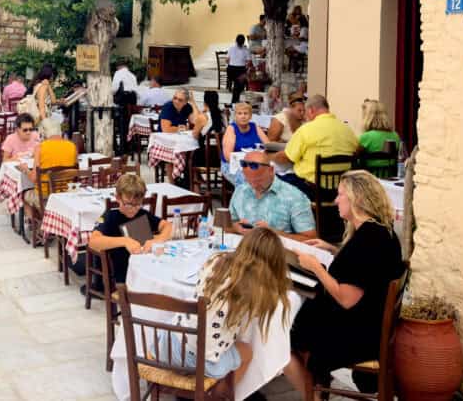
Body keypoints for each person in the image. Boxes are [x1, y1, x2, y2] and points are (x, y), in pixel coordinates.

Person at [284, 171, 404, 397]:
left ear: (357, 199)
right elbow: (363, 271)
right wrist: (332, 250)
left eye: (341, 195)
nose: (336, 200)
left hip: (358, 335)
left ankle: (315, 396)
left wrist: (315, 267)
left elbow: (346, 299)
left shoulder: (367, 241)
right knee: (298, 326)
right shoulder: (379, 232)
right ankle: (315, 386)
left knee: (281, 345)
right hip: (372, 325)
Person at [167, 227, 293, 384]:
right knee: (247, 352)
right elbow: (257, 313)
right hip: (199, 359)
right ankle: (227, 395)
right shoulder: (256, 289)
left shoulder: (216, 260)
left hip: (169, 343)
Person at [87, 173, 172, 285]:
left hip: (139, 275)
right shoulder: (110, 217)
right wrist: (125, 241)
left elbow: (168, 226)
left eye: (137, 205)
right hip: (114, 280)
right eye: (128, 204)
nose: (133, 209)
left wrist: (157, 240)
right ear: (117, 197)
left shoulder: (143, 214)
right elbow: (93, 242)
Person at [275, 95, 359, 200]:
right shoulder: (347, 130)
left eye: (305, 112)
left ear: (311, 110)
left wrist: (272, 157)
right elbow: (358, 150)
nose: (305, 116)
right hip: (340, 189)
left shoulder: (306, 130)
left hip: (311, 189)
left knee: (274, 179)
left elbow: (286, 157)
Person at [228, 151, 315, 238]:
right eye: (249, 180)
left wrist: (274, 234)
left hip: (278, 250)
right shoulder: (241, 190)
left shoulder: (294, 196)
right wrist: (235, 228)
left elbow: (310, 239)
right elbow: (224, 227)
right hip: (244, 248)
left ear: (271, 170)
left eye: (258, 180)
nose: (254, 186)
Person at [221, 102, 268, 167]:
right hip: (233, 165)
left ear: (250, 116)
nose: (243, 116)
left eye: (246, 113)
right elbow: (228, 157)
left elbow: (268, 146)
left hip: (255, 163)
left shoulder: (255, 126)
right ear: (235, 116)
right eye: (239, 113)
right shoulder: (231, 129)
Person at [33, 64, 60, 138]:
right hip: (43, 117)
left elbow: (53, 101)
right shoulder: (43, 87)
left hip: (45, 115)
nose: (53, 78)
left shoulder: (44, 85)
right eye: (53, 75)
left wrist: (49, 87)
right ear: (50, 75)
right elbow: (41, 106)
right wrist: (45, 123)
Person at [227, 34, 251, 103]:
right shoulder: (246, 50)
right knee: (240, 82)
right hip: (240, 71)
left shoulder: (231, 48)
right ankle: (235, 101)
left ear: (236, 41)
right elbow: (249, 63)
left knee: (237, 84)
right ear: (244, 42)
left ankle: (234, 101)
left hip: (230, 71)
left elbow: (227, 60)